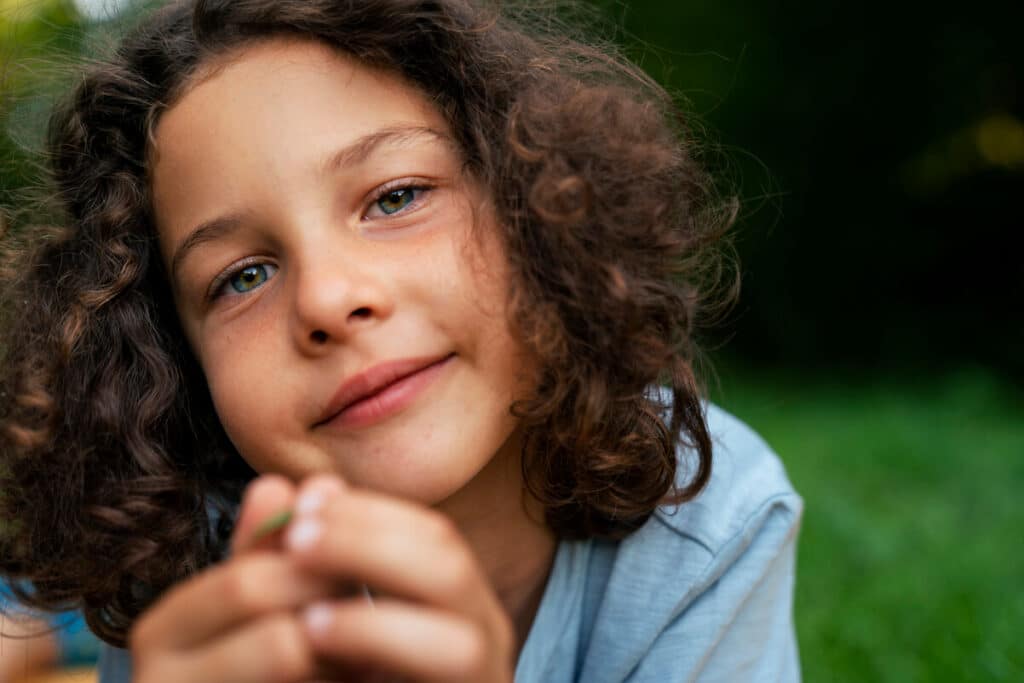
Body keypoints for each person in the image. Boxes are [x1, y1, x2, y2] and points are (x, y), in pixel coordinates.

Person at [0, 0, 802, 681]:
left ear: (537, 207)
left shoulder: (709, 520)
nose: (329, 298)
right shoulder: (189, 571)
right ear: (171, 362)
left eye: (396, 197)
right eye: (242, 276)